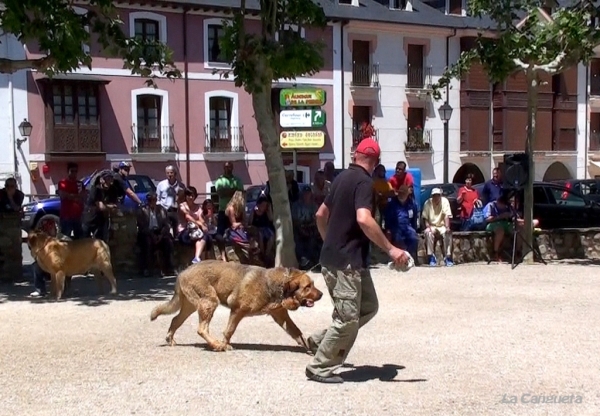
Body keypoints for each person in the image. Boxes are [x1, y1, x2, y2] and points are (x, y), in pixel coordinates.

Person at [305, 138, 408, 384]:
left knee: (368, 306)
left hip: (344, 260)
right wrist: (392, 249)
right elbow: (364, 219)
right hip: (345, 263)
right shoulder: (364, 182)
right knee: (348, 319)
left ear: (356, 155)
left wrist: (328, 240)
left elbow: (321, 214)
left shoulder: (341, 178)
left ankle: (320, 341)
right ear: (376, 161)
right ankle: (319, 367)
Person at [137, 191, 174, 276]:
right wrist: (152, 235)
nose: (152, 202)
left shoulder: (161, 209)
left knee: (168, 242)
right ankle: (147, 268)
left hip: (159, 231)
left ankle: (169, 268)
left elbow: (167, 224)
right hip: (147, 232)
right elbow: (142, 226)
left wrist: (161, 235)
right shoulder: (142, 210)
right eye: (150, 200)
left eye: (154, 200)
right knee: (147, 242)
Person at [214, 162, 244, 258]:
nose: (228, 168)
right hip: (223, 210)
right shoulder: (220, 180)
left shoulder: (237, 180)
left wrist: (226, 190)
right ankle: (223, 255)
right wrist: (233, 190)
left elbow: (240, 193)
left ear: (232, 168)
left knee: (237, 232)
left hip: (236, 211)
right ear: (223, 168)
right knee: (219, 234)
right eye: (226, 167)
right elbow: (220, 193)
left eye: (230, 167)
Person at [384, 185, 419, 261]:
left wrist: (414, 229)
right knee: (398, 238)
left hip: (407, 227)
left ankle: (411, 257)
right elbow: (387, 218)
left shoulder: (412, 204)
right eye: (400, 193)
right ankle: (399, 259)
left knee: (414, 237)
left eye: (403, 193)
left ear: (407, 194)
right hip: (395, 226)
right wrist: (388, 229)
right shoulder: (392, 203)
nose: (401, 195)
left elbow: (414, 218)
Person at [422, 188, 454, 267]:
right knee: (428, 233)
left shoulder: (445, 201)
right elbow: (425, 218)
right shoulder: (427, 203)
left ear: (440, 196)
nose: (436, 197)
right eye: (434, 195)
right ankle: (431, 256)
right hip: (432, 225)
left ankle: (448, 257)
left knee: (447, 233)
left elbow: (446, 216)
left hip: (442, 225)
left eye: (438, 195)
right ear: (432, 196)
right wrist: (428, 227)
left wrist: (447, 227)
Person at [177, 186, 208, 264]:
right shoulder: (182, 206)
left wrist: (202, 224)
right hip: (184, 231)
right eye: (189, 195)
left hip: (196, 232)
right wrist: (200, 224)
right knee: (201, 235)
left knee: (205, 236)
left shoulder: (198, 207)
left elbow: (201, 219)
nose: (191, 197)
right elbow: (187, 217)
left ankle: (196, 258)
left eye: (193, 195)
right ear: (186, 196)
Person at [82, 173, 116, 243]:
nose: (108, 181)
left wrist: (109, 207)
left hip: (100, 221)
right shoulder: (95, 189)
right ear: (101, 180)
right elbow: (101, 207)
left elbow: (115, 206)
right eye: (106, 179)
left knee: (100, 242)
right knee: (85, 243)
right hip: (89, 219)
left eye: (110, 179)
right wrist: (110, 206)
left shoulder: (111, 190)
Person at [291, 186, 319, 269]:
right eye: (305, 193)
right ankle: (302, 259)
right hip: (299, 227)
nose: (307, 195)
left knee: (312, 238)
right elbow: (295, 221)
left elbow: (316, 219)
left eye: (308, 193)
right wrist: (302, 230)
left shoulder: (314, 205)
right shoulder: (296, 205)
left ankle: (309, 259)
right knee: (298, 238)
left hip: (310, 226)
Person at [483, 195, 514, 263]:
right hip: (493, 224)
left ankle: (516, 253)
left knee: (517, 230)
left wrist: (509, 215)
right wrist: (500, 216)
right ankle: (496, 253)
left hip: (506, 223)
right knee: (500, 230)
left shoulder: (508, 206)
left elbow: (513, 216)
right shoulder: (491, 205)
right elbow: (487, 219)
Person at [57, 162, 85, 239]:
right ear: (68, 172)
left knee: (80, 240)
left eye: (76, 171)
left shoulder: (79, 184)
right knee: (65, 239)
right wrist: (74, 196)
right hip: (66, 216)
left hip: (78, 216)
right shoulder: (62, 183)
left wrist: (69, 195)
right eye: (72, 171)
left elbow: (82, 196)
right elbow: (62, 195)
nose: (74, 173)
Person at [156, 165, 185, 233]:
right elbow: (158, 198)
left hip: (175, 211)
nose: (169, 175)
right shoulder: (161, 184)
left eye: (171, 172)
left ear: (175, 173)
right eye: (167, 173)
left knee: (176, 229)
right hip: (164, 210)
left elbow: (183, 199)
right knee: (165, 229)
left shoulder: (181, 186)